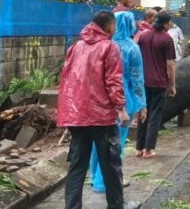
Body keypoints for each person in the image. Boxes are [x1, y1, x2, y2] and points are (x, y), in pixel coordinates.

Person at [57, 11, 139, 209]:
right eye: (114, 27)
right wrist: (121, 108)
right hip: (102, 117)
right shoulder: (109, 47)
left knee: (77, 167)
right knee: (111, 166)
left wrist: (67, 112)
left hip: (77, 116)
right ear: (109, 27)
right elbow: (113, 81)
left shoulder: (76, 47)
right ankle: (116, 205)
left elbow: (67, 80)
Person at [89, 11, 147, 192]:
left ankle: (94, 177)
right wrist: (142, 104)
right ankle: (106, 181)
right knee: (116, 143)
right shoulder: (132, 48)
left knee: (97, 141)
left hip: (98, 99)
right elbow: (137, 80)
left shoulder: (101, 44)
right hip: (123, 100)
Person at [135, 11, 177, 158]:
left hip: (143, 81)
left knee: (143, 113)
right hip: (159, 82)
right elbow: (170, 64)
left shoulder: (143, 36)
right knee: (155, 116)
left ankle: (139, 148)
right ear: (166, 24)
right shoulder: (167, 39)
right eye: (169, 23)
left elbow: (138, 59)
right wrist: (172, 85)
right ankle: (148, 149)